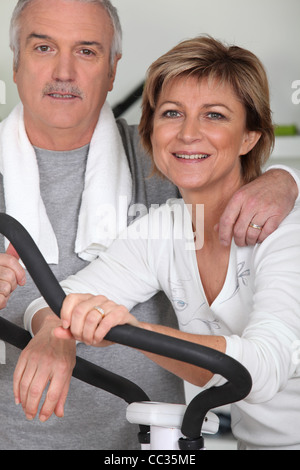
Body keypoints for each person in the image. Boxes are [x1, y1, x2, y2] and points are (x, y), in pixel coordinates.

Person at [0, 0, 298, 451]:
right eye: (171, 113)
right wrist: (54, 331)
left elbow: (263, 367)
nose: (188, 134)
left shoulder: (275, 222)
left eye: (214, 115)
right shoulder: (164, 229)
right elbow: (57, 301)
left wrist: (287, 178)